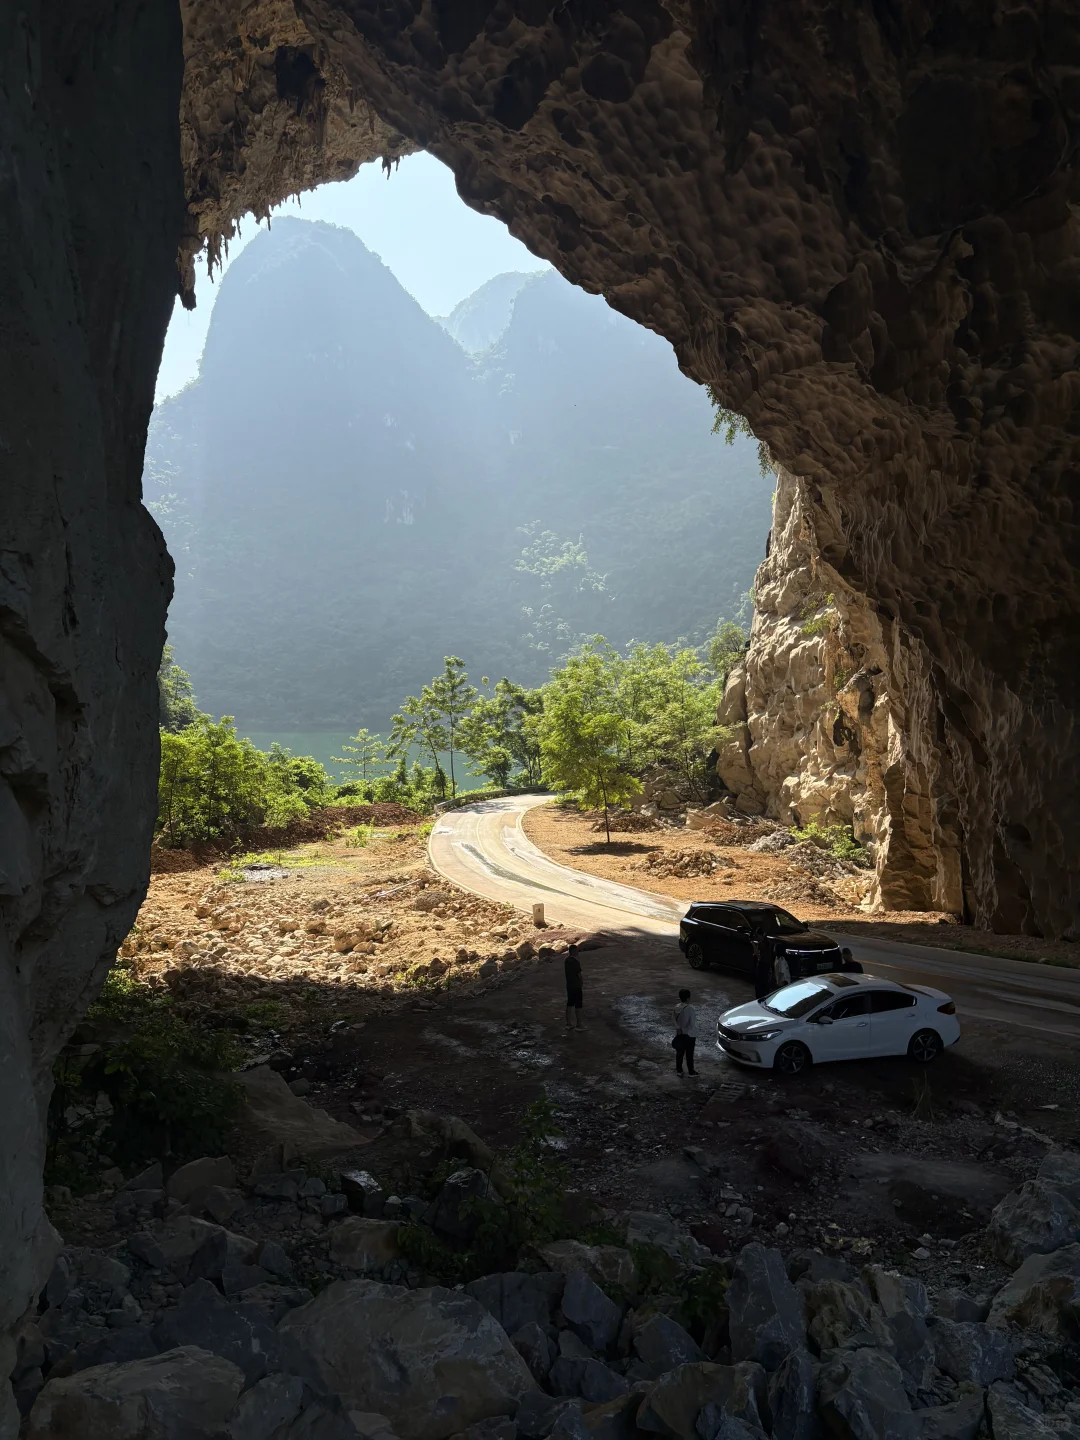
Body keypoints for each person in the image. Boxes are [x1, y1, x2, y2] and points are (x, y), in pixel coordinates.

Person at [672, 987, 698, 1075]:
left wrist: (678, 1029)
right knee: (689, 1055)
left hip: (679, 1034)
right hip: (689, 1035)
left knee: (679, 1052)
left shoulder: (676, 1007)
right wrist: (683, 1030)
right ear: (688, 998)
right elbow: (691, 1024)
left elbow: (673, 1019)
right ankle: (691, 1072)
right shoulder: (690, 1009)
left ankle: (679, 1070)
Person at [564, 943, 584, 1029]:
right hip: (576, 985)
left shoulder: (566, 960)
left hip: (569, 985)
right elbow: (579, 974)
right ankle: (579, 1024)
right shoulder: (575, 962)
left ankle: (568, 1023)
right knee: (578, 1005)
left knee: (569, 1004)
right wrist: (581, 983)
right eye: (577, 950)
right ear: (573, 951)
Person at [752, 925, 774, 999]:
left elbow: (757, 954)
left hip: (762, 964)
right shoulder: (768, 942)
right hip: (767, 964)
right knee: (765, 982)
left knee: (759, 982)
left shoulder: (761, 944)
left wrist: (753, 944)